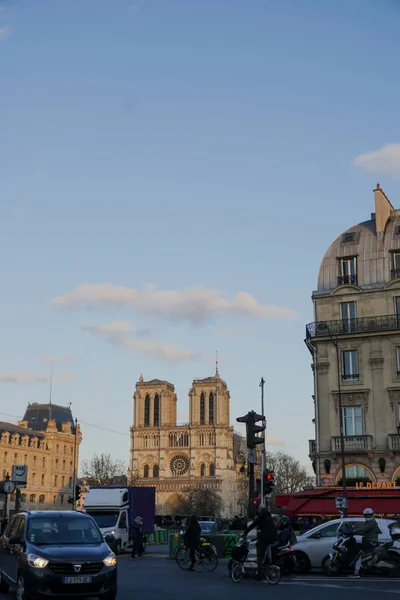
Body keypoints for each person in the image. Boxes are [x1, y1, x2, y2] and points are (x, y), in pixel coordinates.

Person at [243, 504, 278, 580]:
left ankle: (259, 574)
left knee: (259, 554)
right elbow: (266, 529)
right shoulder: (268, 516)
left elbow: (254, 524)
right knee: (259, 545)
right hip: (272, 537)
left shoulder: (262, 516)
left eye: (259, 509)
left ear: (261, 509)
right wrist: (257, 537)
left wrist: (245, 532)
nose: (258, 510)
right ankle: (265, 563)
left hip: (266, 537)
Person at [348, 508, 381, 578]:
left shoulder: (372, 522)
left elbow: (364, 529)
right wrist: (357, 533)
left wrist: (354, 531)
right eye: (367, 515)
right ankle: (363, 568)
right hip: (369, 541)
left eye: (369, 515)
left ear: (372, 515)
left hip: (371, 542)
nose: (368, 516)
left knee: (358, 553)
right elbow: (365, 531)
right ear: (365, 515)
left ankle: (356, 573)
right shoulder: (370, 522)